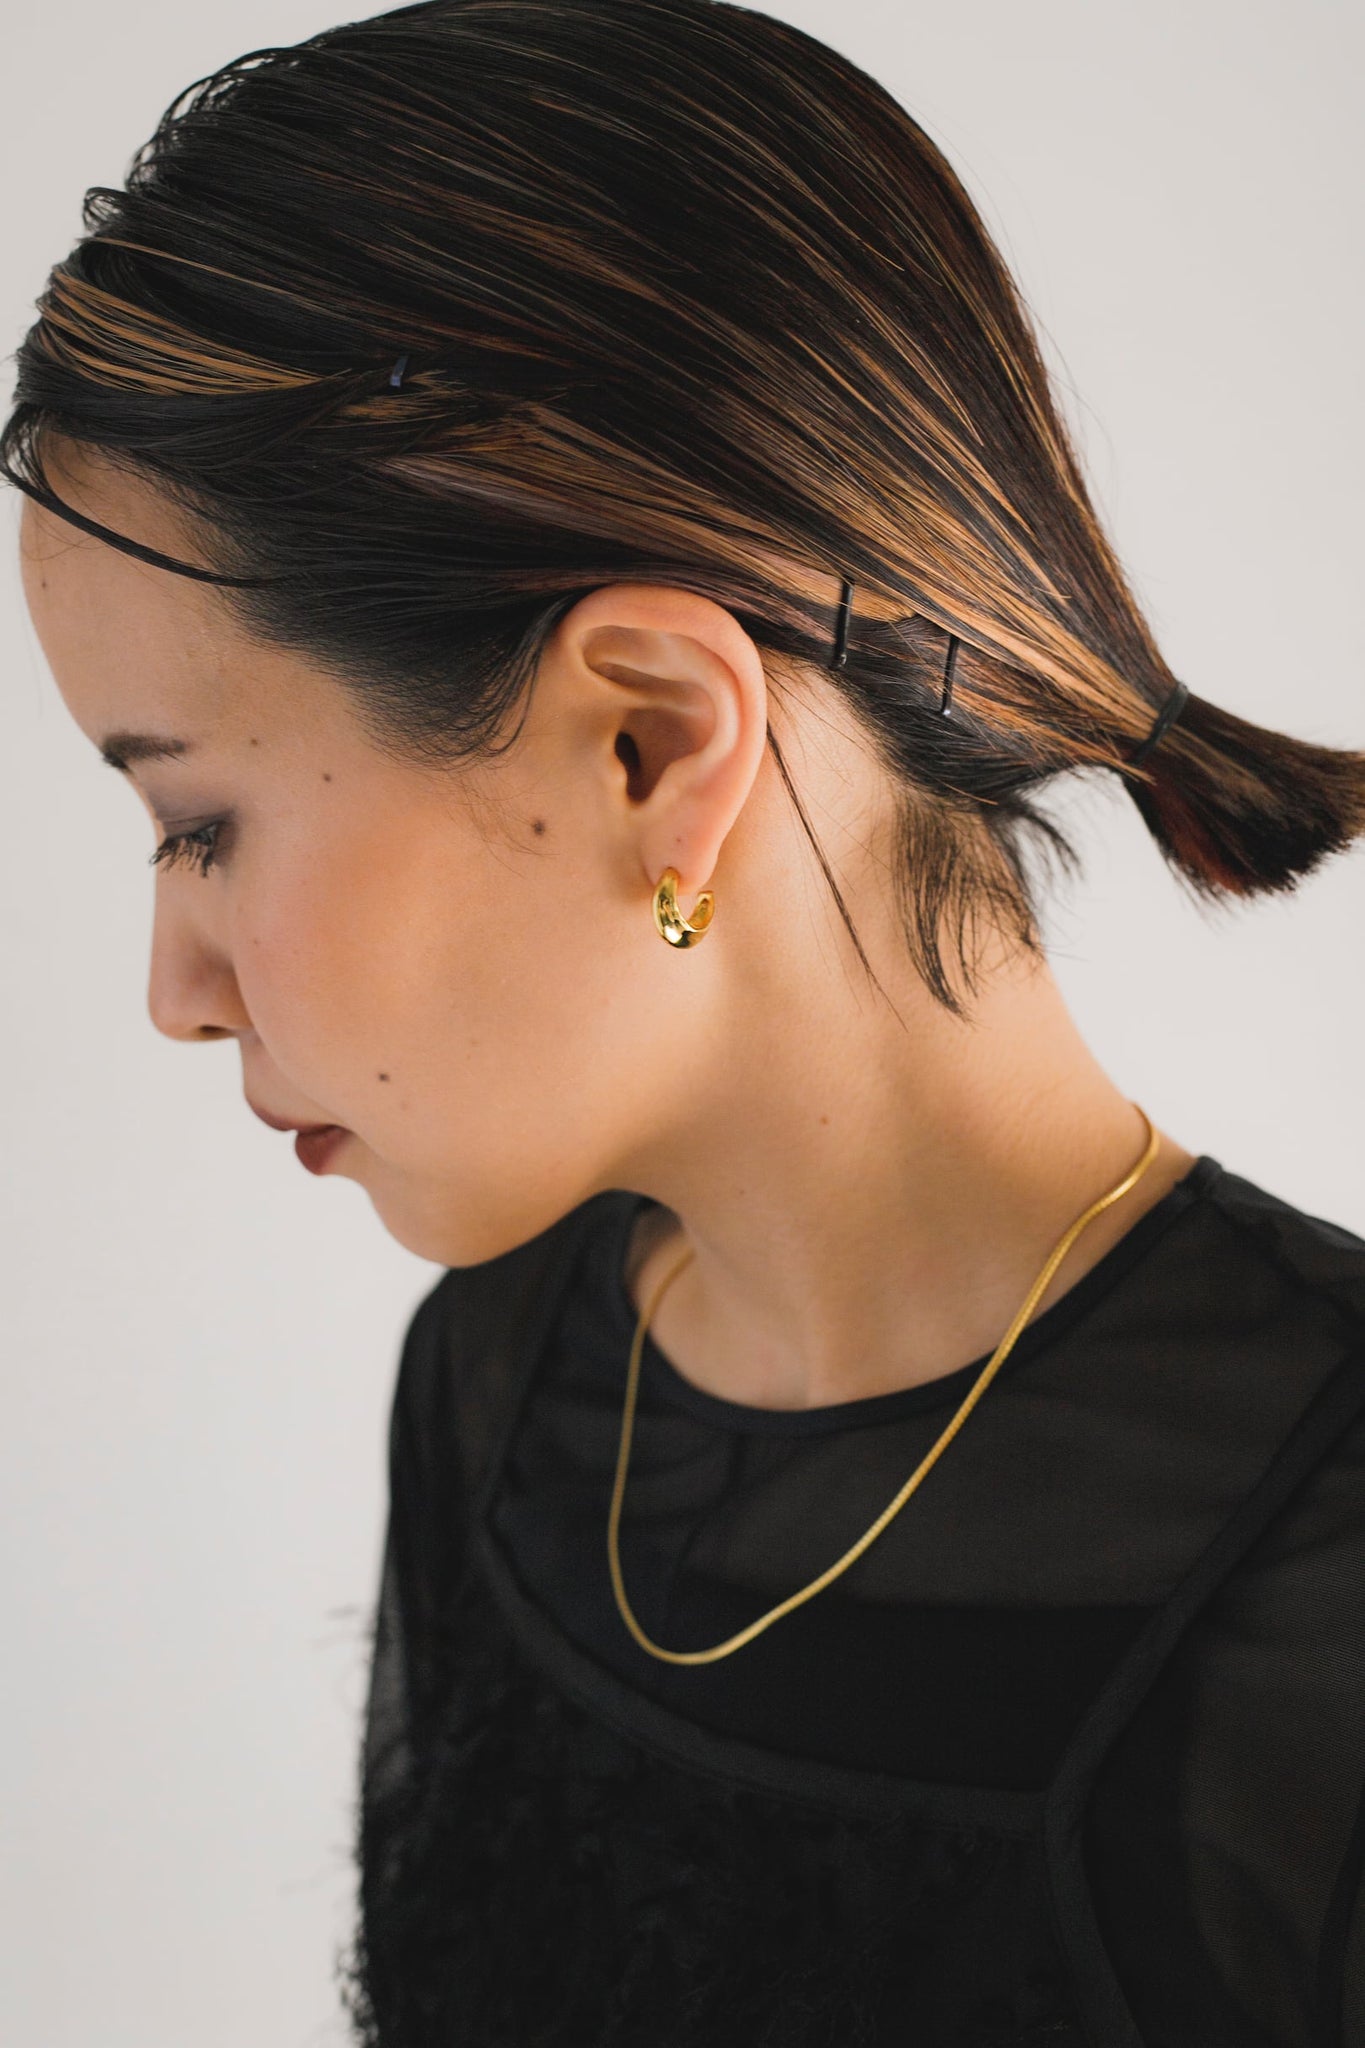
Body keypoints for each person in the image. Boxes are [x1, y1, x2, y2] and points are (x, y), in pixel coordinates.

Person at [8, 0, 1365, 2041]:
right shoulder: (500, 1387)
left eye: (197, 824)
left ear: (650, 741)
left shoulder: (1329, 1560)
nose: (171, 996)